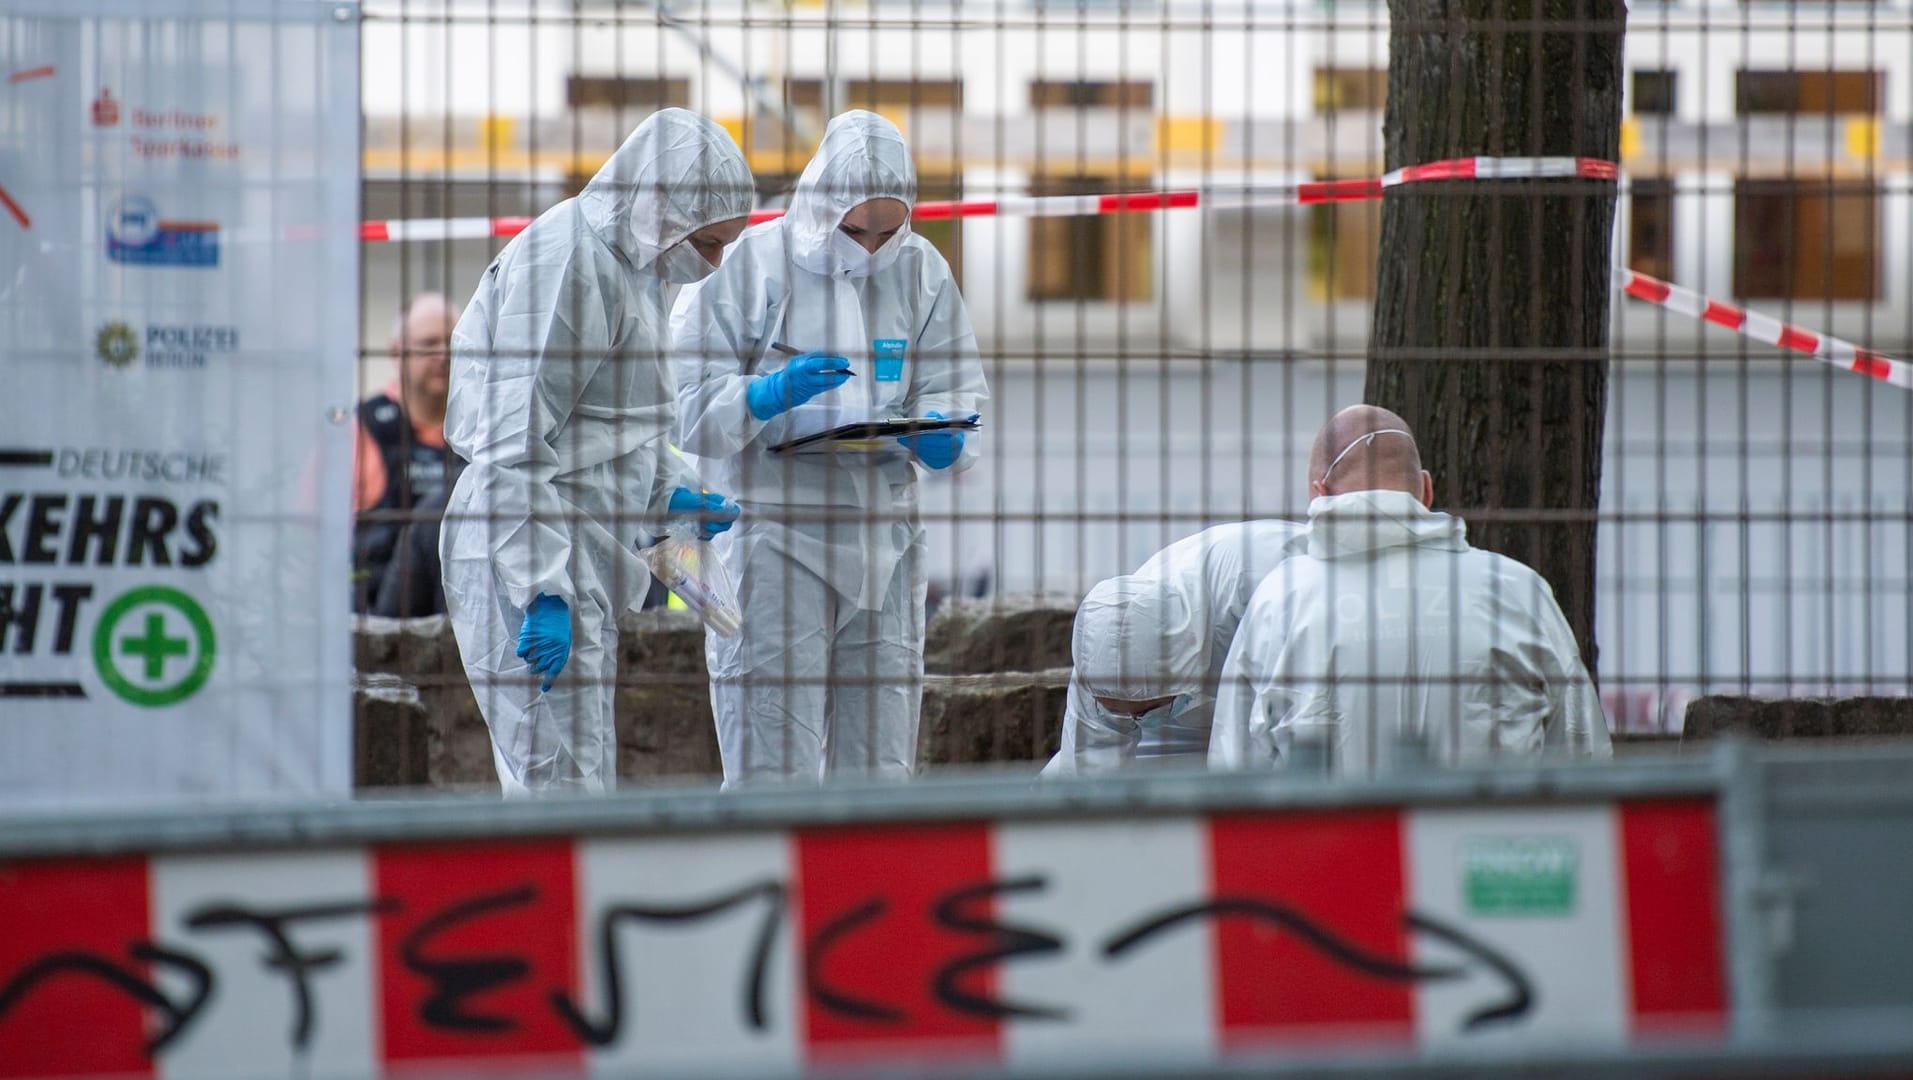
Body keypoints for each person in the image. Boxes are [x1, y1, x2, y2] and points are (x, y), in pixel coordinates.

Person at [670, 110, 990, 785]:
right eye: (853, 230)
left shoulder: (922, 272)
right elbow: (683, 400)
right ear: (819, 204)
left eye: (887, 231)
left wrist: (939, 430)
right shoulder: (750, 265)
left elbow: (957, 385)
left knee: (880, 760)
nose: (870, 249)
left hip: (885, 539)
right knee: (770, 756)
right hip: (771, 537)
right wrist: (764, 396)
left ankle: (868, 885)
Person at [440, 109, 753, 796]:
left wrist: (668, 488)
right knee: (560, 786)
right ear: (661, 205)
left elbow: (610, 424)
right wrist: (541, 590)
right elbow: (511, 443)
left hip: (578, 542)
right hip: (525, 543)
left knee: (573, 781)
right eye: (708, 242)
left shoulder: (638, 271)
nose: (714, 263)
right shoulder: (567, 261)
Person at [1209, 404, 1611, 774]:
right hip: (1486, 848)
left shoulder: (1280, 598)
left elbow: (1235, 767)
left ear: (1321, 493)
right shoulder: (1518, 591)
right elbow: (1581, 751)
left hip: (1330, 847)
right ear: (1425, 489)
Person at [1041, 520, 1310, 775]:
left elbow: (1263, 737)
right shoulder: (1101, 644)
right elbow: (1087, 763)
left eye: (1145, 710)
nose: (1134, 719)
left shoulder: (1257, 596)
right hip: (1190, 710)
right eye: (1117, 710)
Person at [352, 293, 461, 614]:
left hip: (470, 603)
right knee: (439, 509)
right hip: (384, 614)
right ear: (396, 353)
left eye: (452, 343)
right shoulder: (363, 430)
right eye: (429, 344)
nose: (444, 355)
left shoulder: (486, 428)